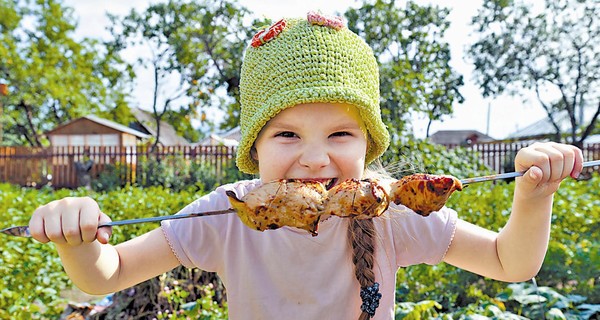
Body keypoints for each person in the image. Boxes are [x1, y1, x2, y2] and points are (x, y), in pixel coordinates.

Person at [29, 12, 583, 320]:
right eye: (287, 134)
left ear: (368, 142)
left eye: (340, 133)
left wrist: (534, 197)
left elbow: (510, 264)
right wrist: (79, 241)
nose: (316, 158)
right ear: (254, 147)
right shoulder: (228, 212)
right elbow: (111, 273)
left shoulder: (390, 213)